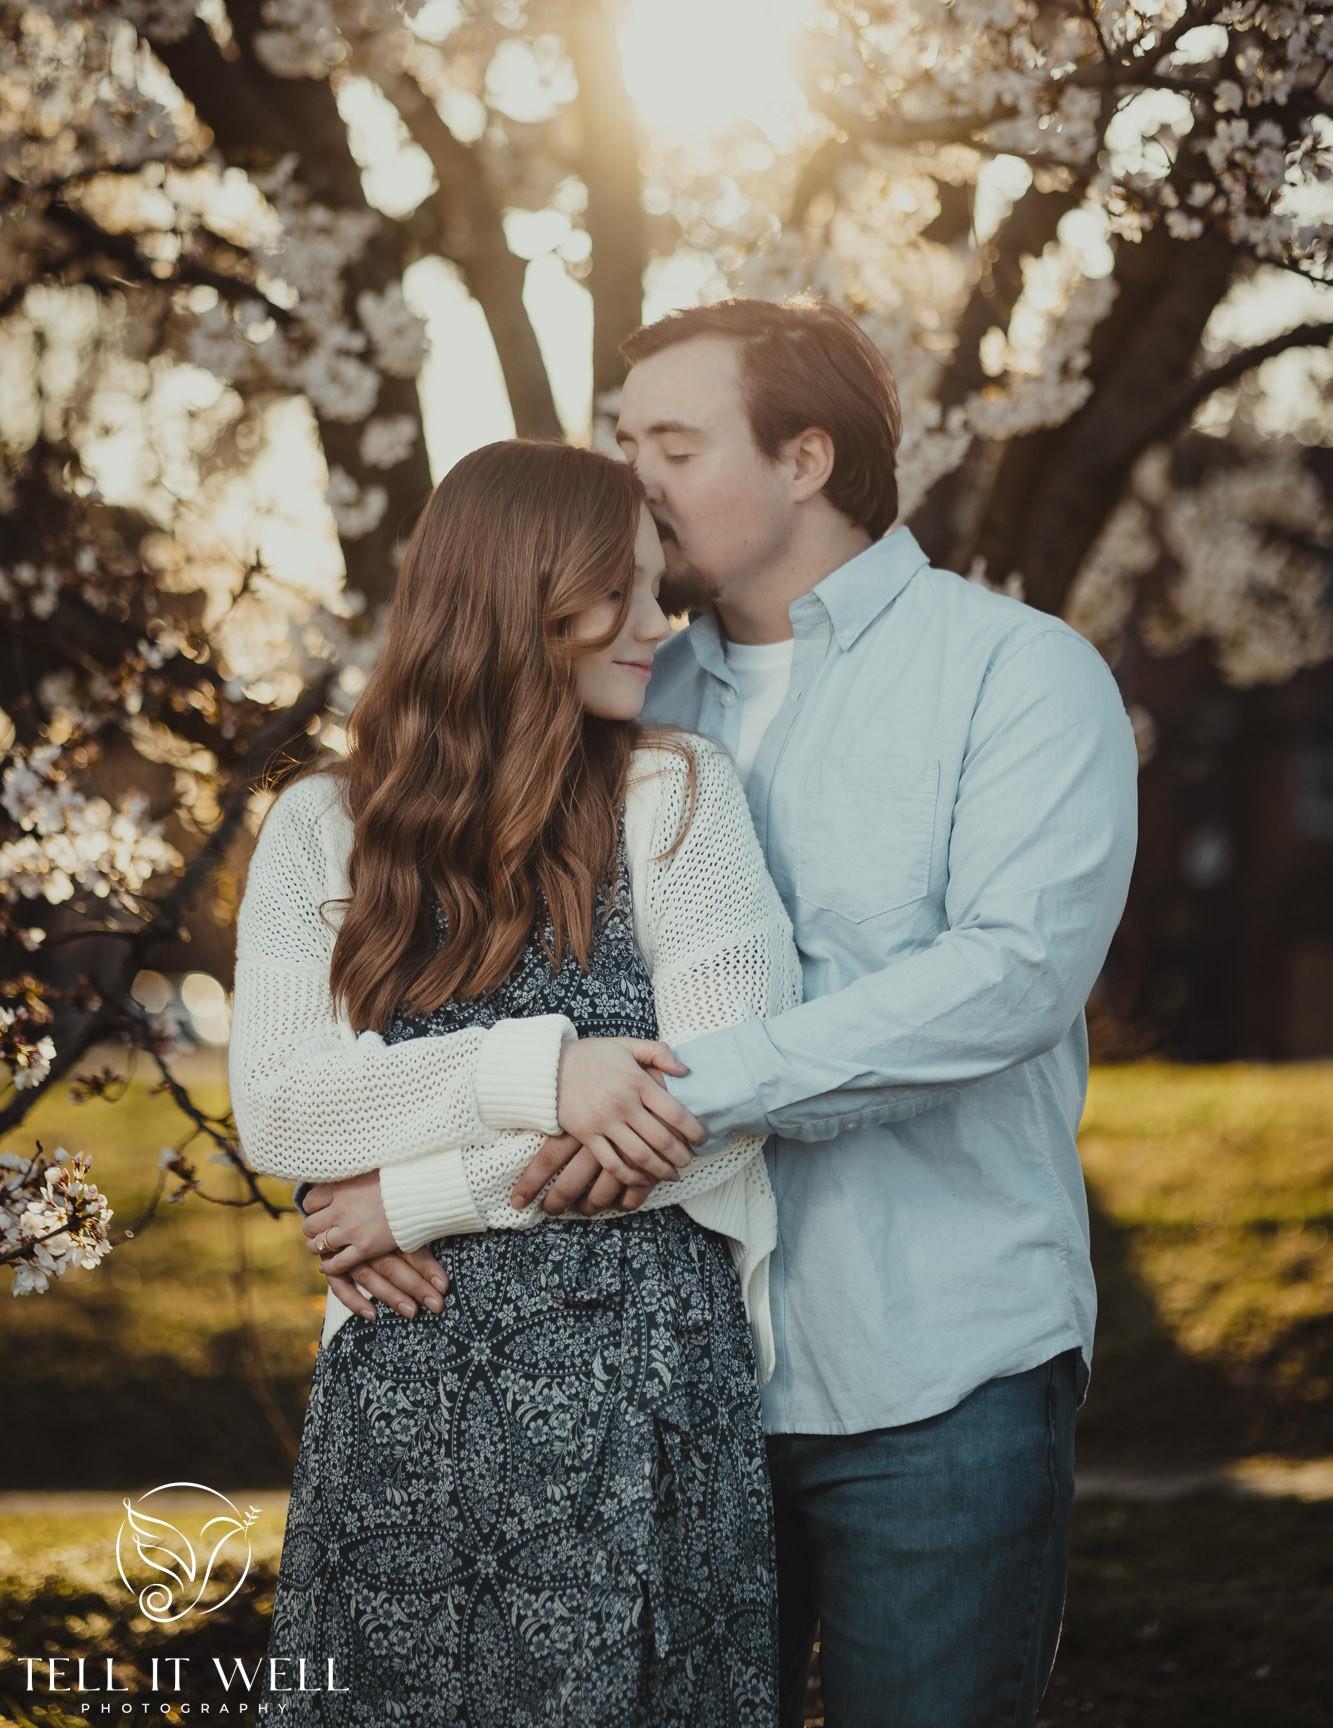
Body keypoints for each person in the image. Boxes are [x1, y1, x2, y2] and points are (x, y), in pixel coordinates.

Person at [485, 295, 1137, 1728]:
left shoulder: (1013, 674)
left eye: (673, 441)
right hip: (663, 1373)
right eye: (620, 442)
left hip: (938, 1371)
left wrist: (688, 1088)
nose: (632, 480)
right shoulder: (621, 692)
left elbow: (1010, 976)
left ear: (804, 459)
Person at [228, 438, 801, 1726]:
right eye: (628, 592)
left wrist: (418, 1197)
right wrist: (543, 1070)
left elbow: (717, 1113)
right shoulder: (325, 825)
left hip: (639, 1392)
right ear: (522, 594)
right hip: (402, 1403)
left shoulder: (677, 791)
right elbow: (281, 1107)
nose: (662, 624)